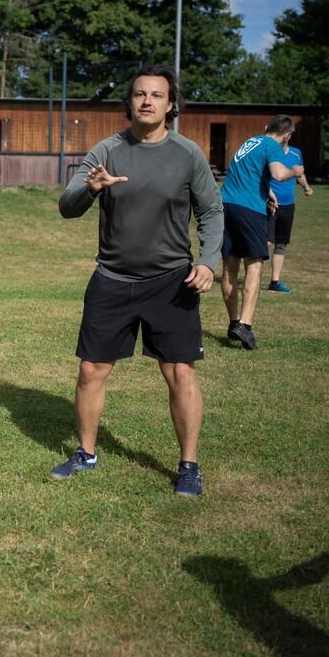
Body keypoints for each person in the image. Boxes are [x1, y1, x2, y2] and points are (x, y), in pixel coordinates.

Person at [52, 65, 223, 497]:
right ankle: (86, 453)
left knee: (179, 372)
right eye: (140, 94)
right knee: (92, 370)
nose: (148, 101)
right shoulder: (105, 151)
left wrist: (207, 261)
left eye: (157, 95)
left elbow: (211, 212)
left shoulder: (188, 154)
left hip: (171, 281)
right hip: (112, 279)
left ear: (171, 104)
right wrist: (91, 189)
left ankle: (189, 465)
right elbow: (66, 206)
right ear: (128, 102)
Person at [219, 115, 305, 349]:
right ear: (287, 136)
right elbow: (278, 174)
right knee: (254, 264)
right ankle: (245, 326)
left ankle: (233, 321)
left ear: (267, 128)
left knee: (230, 264)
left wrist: (267, 192)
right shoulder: (273, 146)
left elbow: (249, 174)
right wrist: (294, 171)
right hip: (249, 209)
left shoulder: (251, 142)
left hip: (226, 205)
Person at [266, 122, 313, 293]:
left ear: (289, 136)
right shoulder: (270, 152)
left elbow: (299, 173)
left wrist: (306, 187)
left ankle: (274, 283)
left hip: (288, 205)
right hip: (270, 204)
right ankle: (252, 274)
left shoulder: (296, 153)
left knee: (281, 244)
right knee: (267, 242)